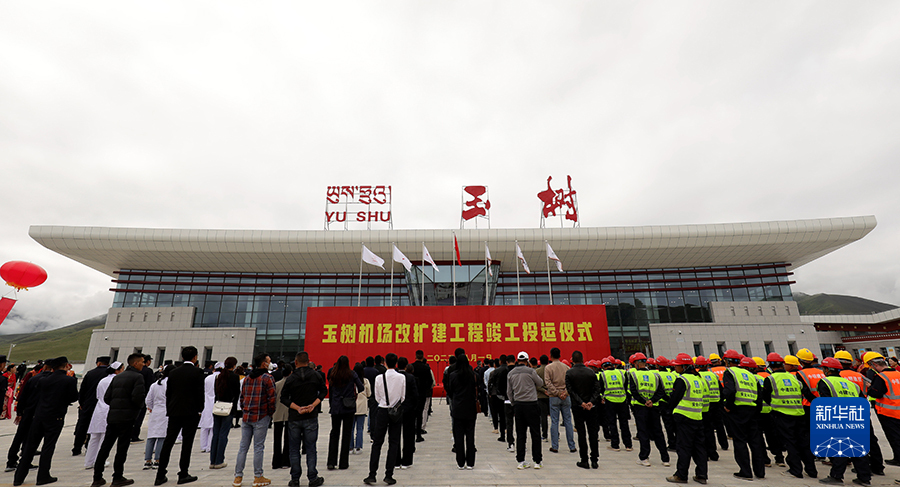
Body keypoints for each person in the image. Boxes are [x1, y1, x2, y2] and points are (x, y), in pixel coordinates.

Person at [14, 356, 79, 486]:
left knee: (30, 446)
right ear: (66, 365)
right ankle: (43, 476)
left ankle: (19, 477)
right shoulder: (69, 380)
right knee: (48, 446)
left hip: (39, 416)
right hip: (55, 417)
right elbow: (73, 398)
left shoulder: (43, 380)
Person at [91, 353, 147, 487]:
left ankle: (97, 477)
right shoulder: (138, 377)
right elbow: (138, 398)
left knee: (105, 446)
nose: (143, 364)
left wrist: (117, 406)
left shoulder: (117, 377)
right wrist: (136, 409)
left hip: (113, 417)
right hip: (127, 418)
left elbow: (107, 397)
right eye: (142, 362)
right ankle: (117, 476)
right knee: (122, 448)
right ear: (135, 363)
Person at [155, 346, 206, 486]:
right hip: (190, 411)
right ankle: (183, 473)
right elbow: (199, 393)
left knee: (168, 442)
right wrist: (200, 409)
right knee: (187, 443)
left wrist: (170, 408)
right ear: (195, 357)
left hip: (174, 411)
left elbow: (169, 393)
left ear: (182, 357)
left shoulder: (173, 372)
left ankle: (160, 474)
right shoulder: (198, 372)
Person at [817, 357, 871, 485]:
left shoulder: (825, 382)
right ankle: (864, 478)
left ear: (826, 369)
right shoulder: (852, 384)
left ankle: (836, 476)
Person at [282, 351, 326, 487]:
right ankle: (312, 477)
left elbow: (283, 398)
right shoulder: (316, 375)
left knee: (294, 449)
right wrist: (313, 405)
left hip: (295, 417)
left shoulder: (290, 378)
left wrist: (297, 408)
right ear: (308, 361)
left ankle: (295, 478)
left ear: (296, 362)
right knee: (311, 448)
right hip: (311, 416)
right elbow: (324, 391)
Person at [233, 353, 277, 487]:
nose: (270, 363)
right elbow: (272, 398)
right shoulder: (268, 378)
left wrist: (245, 410)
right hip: (261, 416)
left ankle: (238, 477)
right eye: (269, 361)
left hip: (247, 416)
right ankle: (258, 476)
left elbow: (242, 397)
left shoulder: (247, 378)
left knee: (243, 447)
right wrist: (270, 413)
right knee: (258, 447)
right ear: (264, 363)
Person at [721, 353, 766, 480]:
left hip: (738, 410)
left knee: (740, 441)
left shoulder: (730, 372)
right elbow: (759, 396)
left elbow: (730, 391)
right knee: (755, 442)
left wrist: (728, 406)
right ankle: (760, 472)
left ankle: (746, 471)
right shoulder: (751, 375)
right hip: (752, 410)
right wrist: (757, 411)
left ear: (728, 361)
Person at [665, 353, 708, 484]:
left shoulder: (682, 380)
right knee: (699, 448)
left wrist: (669, 411)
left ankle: (681, 475)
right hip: (698, 417)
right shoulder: (699, 379)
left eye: (677, 366)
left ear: (684, 367)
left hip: (684, 418)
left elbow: (674, 398)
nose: (675, 368)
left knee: (684, 447)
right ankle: (702, 475)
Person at [364, 352, 405, 485]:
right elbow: (403, 397)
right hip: (396, 412)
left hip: (382, 410)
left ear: (385, 363)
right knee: (394, 443)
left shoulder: (379, 378)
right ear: (396, 363)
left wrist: (385, 403)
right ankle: (389, 474)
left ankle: (372, 474)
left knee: (377, 443)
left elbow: (376, 397)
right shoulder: (401, 377)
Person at [7, 362, 51, 473]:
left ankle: (11, 460)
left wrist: (19, 412)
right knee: (30, 438)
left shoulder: (34, 379)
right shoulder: (49, 380)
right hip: (39, 413)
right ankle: (25, 462)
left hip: (27, 411)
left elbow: (22, 395)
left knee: (19, 436)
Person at [628, 352, 670, 468]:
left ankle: (644, 457)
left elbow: (633, 391)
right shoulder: (655, 375)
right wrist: (652, 400)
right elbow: (661, 391)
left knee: (643, 432)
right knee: (658, 432)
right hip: (654, 407)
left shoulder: (633, 375)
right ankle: (665, 458)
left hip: (640, 407)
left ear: (636, 364)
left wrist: (644, 401)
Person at [507, 351, 544, 470]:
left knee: (520, 434)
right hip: (531, 404)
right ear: (527, 361)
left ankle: (521, 460)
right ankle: (537, 461)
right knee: (535, 433)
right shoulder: (531, 371)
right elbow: (540, 383)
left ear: (517, 361)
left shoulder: (511, 373)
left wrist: (514, 403)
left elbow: (509, 392)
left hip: (519, 405)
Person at [327, 355, 364, 471]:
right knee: (346, 434)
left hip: (336, 406)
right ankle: (343, 462)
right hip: (348, 406)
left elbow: (331, 391)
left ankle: (331, 461)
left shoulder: (333, 374)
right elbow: (361, 387)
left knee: (334, 434)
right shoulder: (352, 374)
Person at [566, 351, 601, 470]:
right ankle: (594, 460)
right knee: (593, 434)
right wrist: (591, 402)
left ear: (572, 360)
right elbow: (597, 389)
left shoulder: (570, 373)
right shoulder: (591, 372)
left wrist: (581, 402)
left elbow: (571, 391)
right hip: (591, 408)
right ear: (582, 359)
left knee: (581, 434)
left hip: (578, 407)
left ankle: (584, 460)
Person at [85, 362, 123, 469]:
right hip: (109, 408)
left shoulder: (102, 380)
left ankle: (89, 461)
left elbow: (98, 395)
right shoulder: (116, 380)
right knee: (104, 437)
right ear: (117, 370)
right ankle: (100, 460)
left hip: (99, 409)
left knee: (94, 438)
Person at [73, 356, 111, 456]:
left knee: (82, 426)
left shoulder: (90, 373)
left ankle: (76, 448)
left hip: (88, 404)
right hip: (101, 405)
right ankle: (89, 448)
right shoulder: (108, 374)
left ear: (98, 363)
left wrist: (81, 403)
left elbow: (83, 389)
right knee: (95, 427)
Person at [446, 353, 478, 469]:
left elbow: (450, 391)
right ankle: (470, 462)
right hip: (470, 408)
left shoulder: (453, 375)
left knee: (458, 437)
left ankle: (460, 462)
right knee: (470, 436)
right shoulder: (473, 375)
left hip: (458, 408)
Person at [211, 357, 240, 470]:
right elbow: (236, 394)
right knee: (223, 434)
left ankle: (213, 461)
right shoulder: (234, 377)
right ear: (234, 365)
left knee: (216, 434)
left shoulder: (219, 376)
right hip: (228, 407)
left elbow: (216, 392)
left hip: (218, 406)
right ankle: (219, 460)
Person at [545, 347, 576, 454]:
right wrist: (565, 393)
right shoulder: (566, 367)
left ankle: (555, 446)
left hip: (554, 397)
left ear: (550, 355)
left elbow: (548, 383)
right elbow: (570, 383)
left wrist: (557, 393)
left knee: (554, 421)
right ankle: (572, 446)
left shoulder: (548, 368)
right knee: (568, 421)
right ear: (560, 355)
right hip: (566, 397)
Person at [598, 356, 632, 453]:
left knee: (612, 423)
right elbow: (626, 386)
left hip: (610, 401)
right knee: (624, 423)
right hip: (622, 400)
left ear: (603, 367)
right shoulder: (621, 373)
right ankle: (628, 445)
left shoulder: (603, 374)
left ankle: (615, 445)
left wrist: (603, 397)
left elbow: (601, 388)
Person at [145, 365, 175, 470]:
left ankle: (148, 460)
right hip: (165, 411)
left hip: (155, 411)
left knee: (151, 436)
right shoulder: (170, 384)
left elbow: (148, 400)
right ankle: (157, 459)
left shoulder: (155, 384)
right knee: (162, 436)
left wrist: (151, 408)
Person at [397, 357, 418, 469]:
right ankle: (406, 461)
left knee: (395, 435)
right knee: (408, 436)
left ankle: (396, 461)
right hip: (408, 409)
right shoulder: (410, 377)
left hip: (395, 409)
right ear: (406, 366)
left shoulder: (394, 377)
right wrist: (414, 407)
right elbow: (415, 395)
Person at [272, 364, 292, 470]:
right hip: (289, 413)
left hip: (277, 413)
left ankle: (276, 462)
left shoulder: (276, 384)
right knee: (288, 438)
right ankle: (285, 461)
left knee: (277, 438)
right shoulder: (292, 384)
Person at [411, 350, 433, 442]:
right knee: (420, 413)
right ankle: (419, 434)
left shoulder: (411, 366)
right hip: (422, 393)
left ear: (415, 356)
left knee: (412, 413)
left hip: (412, 393)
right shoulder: (426, 368)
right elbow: (430, 381)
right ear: (423, 357)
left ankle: (412, 432)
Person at [199, 362, 220, 454]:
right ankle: (210, 446)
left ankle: (203, 446)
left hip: (206, 403)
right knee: (213, 427)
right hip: (216, 403)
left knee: (204, 426)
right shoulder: (220, 378)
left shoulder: (207, 378)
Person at [353, 362, 372, 454]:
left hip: (352, 405)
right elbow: (369, 394)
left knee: (351, 428)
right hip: (362, 406)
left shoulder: (351, 380)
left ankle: (350, 447)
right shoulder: (365, 381)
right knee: (360, 428)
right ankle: (358, 447)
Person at [535, 355, 550, 441]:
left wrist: (543, 390)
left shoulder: (537, 371)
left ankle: (544, 435)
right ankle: (556, 435)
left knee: (543, 416)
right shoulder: (551, 370)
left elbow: (536, 385)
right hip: (551, 395)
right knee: (554, 418)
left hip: (541, 396)